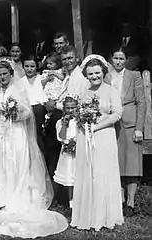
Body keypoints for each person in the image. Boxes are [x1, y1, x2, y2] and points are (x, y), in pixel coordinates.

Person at [0, 60, 68, 238]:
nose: (2, 77)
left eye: (5, 74)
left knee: (17, 162)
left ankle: (19, 197)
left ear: (11, 74)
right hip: (1, 133)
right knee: (3, 163)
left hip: (17, 132)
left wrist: (14, 113)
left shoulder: (18, 89)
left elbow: (28, 112)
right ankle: (5, 197)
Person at [71, 56, 124, 230]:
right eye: (90, 74)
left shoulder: (110, 90)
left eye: (97, 73)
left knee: (102, 173)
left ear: (103, 73)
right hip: (85, 136)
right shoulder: (84, 92)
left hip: (104, 136)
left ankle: (104, 216)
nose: (94, 76)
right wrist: (83, 124)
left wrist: (97, 127)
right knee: (87, 172)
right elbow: (78, 113)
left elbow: (117, 114)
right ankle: (87, 214)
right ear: (86, 75)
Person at [110, 47, 146, 217]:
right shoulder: (106, 76)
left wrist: (139, 128)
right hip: (112, 124)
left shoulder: (134, 76)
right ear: (111, 59)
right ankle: (120, 199)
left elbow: (141, 102)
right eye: (115, 58)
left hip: (130, 124)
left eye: (121, 58)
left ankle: (130, 202)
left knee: (131, 164)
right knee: (117, 163)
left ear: (126, 60)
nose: (118, 61)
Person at [53, 96, 78, 209]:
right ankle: (71, 203)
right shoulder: (60, 122)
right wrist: (64, 124)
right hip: (67, 155)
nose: (70, 110)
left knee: (78, 177)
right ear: (64, 109)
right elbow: (61, 137)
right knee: (69, 178)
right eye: (68, 108)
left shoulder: (80, 121)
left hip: (78, 153)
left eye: (73, 108)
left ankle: (80, 201)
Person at [20, 55, 46, 154]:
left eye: (32, 66)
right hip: (26, 115)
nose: (29, 69)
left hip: (41, 113)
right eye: (26, 66)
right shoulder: (21, 82)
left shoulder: (42, 79)